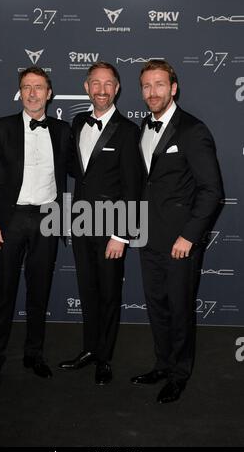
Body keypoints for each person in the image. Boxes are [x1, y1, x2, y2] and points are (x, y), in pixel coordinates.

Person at [131, 60, 223, 403]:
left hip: (180, 242)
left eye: (159, 85)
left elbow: (212, 191)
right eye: (146, 86)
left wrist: (188, 237)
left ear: (173, 88)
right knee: (157, 306)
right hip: (148, 238)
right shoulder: (144, 126)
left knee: (180, 309)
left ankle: (180, 374)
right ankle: (162, 364)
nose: (152, 92)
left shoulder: (192, 130)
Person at [0, 67, 71, 390]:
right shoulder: (1, 127)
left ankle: (35, 355)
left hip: (47, 218)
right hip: (9, 220)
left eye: (39, 87)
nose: (32, 93)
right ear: (20, 92)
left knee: (39, 293)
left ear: (50, 93)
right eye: (26, 87)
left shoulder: (62, 130)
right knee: (3, 293)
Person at [59, 62, 142, 384]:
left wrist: (121, 234)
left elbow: (133, 186)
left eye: (108, 84)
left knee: (108, 293)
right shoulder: (78, 121)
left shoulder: (128, 130)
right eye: (96, 83)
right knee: (88, 290)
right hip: (81, 223)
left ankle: (104, 358)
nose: (102, 89)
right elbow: (74, 171)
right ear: (86, 87)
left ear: (117, 88)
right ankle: (90, 349)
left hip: (111, 227)